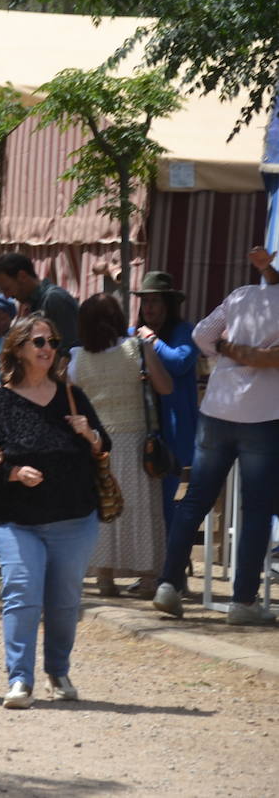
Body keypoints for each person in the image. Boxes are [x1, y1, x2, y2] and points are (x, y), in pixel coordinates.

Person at [0, 315, 110, 708]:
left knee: (64, 603)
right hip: (17, 521)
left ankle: (58, 672)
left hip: (74, 518)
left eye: (52, 341)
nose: (48, 348)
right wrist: (12, 472)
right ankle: (19, 680)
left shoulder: (72, 396)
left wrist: (89, 433)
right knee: (22, 594)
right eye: (38, 341)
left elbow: (103, 447)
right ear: (18, 349)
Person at [153, 250, 279, 625]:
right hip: (264, 414)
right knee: (256, 510)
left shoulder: (240, 295)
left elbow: (201, 335)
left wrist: (224, 351)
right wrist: (252, 356)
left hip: (218, 407)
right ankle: (243, 601)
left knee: (195, 501)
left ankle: (168, 584)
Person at [69, 294, 172, 597]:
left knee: (103, 508)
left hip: (96, 441)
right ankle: (148, 576)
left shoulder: (77, 358)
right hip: (136, 440)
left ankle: (104, 576)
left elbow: (71, 401)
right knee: (141, 509)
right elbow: (166, 387)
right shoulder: (137, 349)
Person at [130, 270, 198, 531]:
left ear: (168, 305)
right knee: (142, 503)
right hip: (139, 428)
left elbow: (179, 362)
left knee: (164, 502)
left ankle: (169, 554)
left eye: (155, 301)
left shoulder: (184, 331)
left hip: (173, 431)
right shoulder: (132, 334)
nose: (148, 307)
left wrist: (152, 341)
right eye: (145, 301)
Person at [0, 252, 80, 349]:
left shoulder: (54, 300)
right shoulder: (35, 304)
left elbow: (70, 349)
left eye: (7, 289)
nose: (7, 296)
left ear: (22, 276)